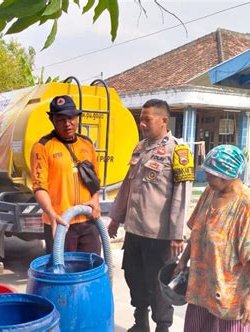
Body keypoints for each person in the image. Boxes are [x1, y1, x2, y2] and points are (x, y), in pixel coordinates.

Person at [108, 99, 194, 332]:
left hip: (160, 235)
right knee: (135, 278)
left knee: (158, 285)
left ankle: (162, 327)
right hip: (135, 231)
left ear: (164, 120)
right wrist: (115, 218)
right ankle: (140, 322)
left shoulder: (179, 151)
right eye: (141, 119)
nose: (142, 124)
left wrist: (177, 235)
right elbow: (127, 187)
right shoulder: (140, 147)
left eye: (147, 119)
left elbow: (181, 196)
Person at [175, 145, 250, 332]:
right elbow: (196, 231)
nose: (207, 177)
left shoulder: (247, 204)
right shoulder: (209, 193)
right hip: (201, 287)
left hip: (232, 295)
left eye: (212, 174)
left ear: (227, 175)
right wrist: (182, 261)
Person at [31, 95, 101, 255]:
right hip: (60, 222)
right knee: (63, 274)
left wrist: (95, 200)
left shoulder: (87, 144)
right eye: (61, 119)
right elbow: (39, 186)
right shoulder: (42, 146)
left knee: (92, 270)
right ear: (52, 121)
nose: (67, 124)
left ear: (77, 118)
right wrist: (51, 214)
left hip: (88, 221)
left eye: (70, 118)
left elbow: (95, 180)